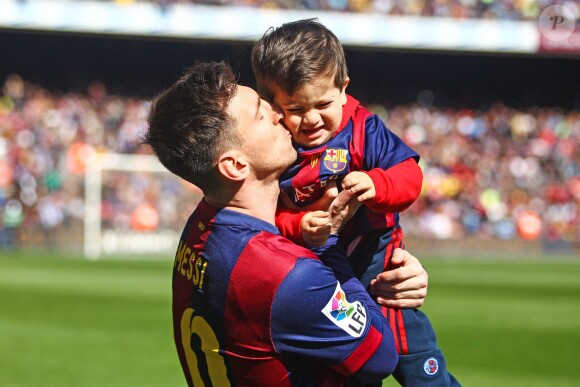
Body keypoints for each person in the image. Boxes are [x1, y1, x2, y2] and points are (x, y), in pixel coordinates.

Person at [144, 61, 430, 386]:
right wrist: (332, 246)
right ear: (235, 164)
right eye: (260, 114)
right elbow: (379, 357)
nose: (279, 114)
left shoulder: (202, 221)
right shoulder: (286, 277)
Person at [251, 18, 459, 386]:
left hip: (375, 261)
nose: (311, 118)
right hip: (315, 269)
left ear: (344, 89)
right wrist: (298, 225)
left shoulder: (364, 127)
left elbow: (409, 176)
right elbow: (269, 213)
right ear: (273, 106)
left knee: (407, 342)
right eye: (295, 108)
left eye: (323, 103)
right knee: (347, 363)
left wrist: (377, 183)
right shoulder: (276, 147)